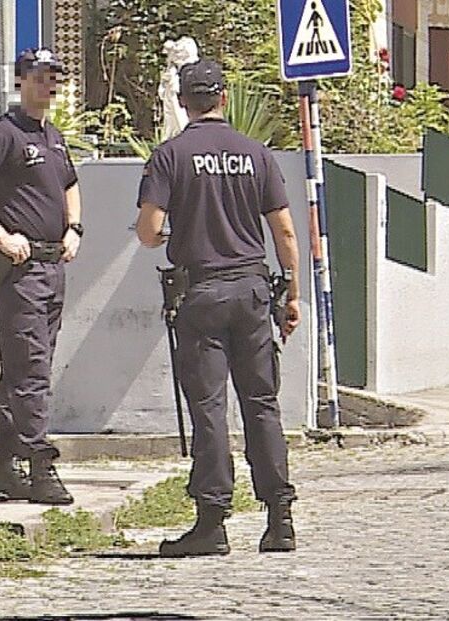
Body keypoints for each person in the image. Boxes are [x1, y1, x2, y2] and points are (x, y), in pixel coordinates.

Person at [136, 58, 301, 557]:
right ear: (224, 99)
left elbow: (148, 230)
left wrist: (173, 233)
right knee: (261, 404)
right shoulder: (257, 155)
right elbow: (286, 231)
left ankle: (212, 522)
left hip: (201, 293)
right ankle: (279, 518)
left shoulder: (170, 156)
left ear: (184, 102)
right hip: (252, 291)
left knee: (209, 410)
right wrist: (291, 292)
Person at [0, 48, 82, 505]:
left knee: (28, 369)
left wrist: (74, 228)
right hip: (21, 268)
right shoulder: (4, 133)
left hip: (53, 265)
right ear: (20, 81)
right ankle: (39, 466)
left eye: (54, 79)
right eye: (40, 78)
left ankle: (8, 468)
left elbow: (70, 184)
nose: (49, 86)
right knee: (30, 370)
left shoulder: (52, 136)